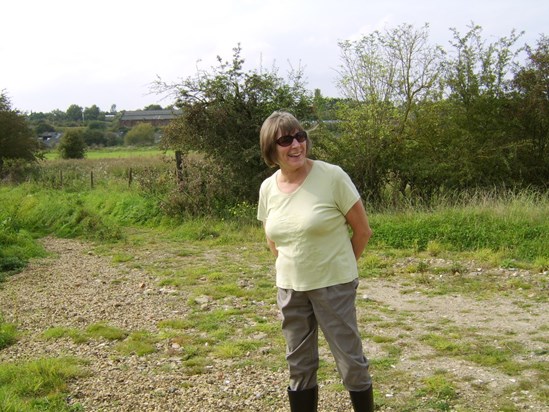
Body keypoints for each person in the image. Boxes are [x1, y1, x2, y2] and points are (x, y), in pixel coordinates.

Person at [257, 111, 374, 412]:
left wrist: (340, 270)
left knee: (350, 360)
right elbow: (273, 239)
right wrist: (294, 268)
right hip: (290, 289)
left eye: (300, 137)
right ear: (271, 149)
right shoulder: (268, 188)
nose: (296, 145)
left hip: (333, 285)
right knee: (299, 364)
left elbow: (362, 231)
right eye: (285, 140)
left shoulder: (332, 176)